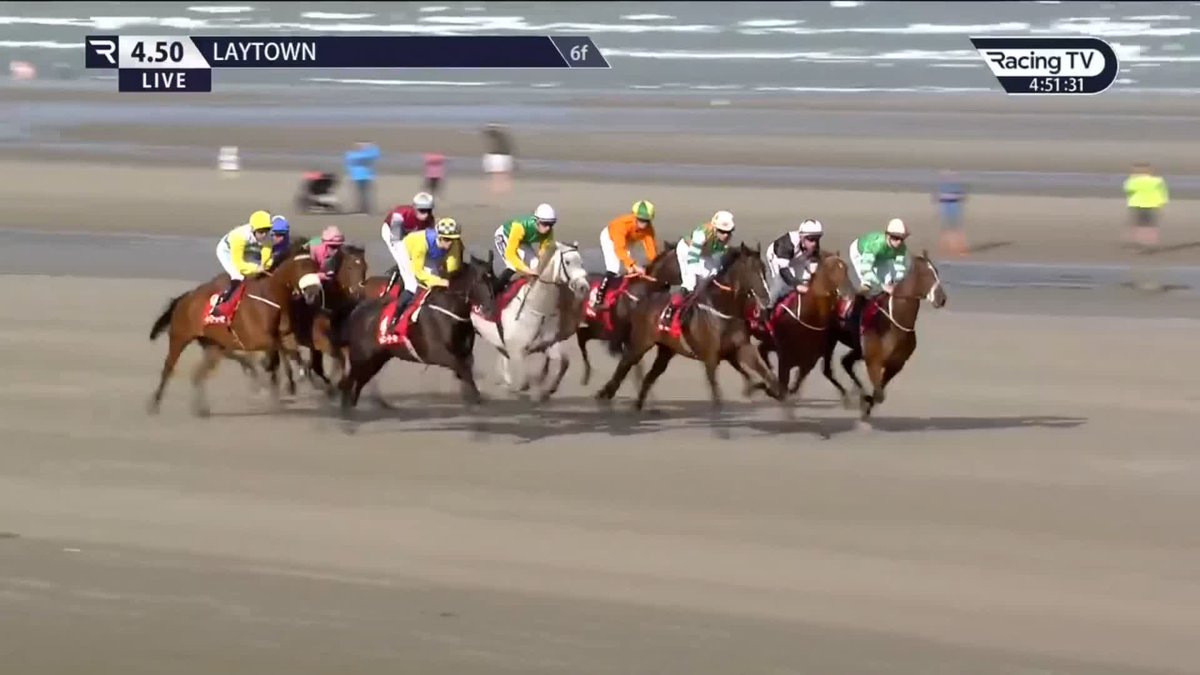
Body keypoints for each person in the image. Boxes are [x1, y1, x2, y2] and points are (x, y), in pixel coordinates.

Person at [384, 217, 464, 335]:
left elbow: (452, 268)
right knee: (412, 284)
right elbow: (419, 273)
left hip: (430, 254)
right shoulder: (421, 243)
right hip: (408, 251)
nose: (450, 243)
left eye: (453, 240)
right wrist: (440, 281)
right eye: (447, 239)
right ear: (439, 237)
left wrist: (447, 277)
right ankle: (395, 318)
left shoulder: (455, 244)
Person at [660, 210, 736, 328]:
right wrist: (695, 274)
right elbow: (692, 256)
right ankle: (669, 312)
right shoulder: (702, 234)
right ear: (715, 228)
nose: (725, 235)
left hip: (705, 252)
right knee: (691, 284)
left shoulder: (724, 239)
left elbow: (718, 255)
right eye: (722, 231)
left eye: (728, 232)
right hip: (688, 251)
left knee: (712, 274)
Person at [594, 200, 659, 310]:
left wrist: (655, 264)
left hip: (629, 240)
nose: (644, 224)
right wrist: (632, 265)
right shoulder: (622, 225)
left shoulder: (649, 229)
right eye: (640, 220)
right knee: (614, 268)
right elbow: (619, 249)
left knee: (635, 267)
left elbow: (651, 249)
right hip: (611, 238)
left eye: (646, 221)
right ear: (634, 216)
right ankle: (599, 298)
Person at [212, 210, 274, 316]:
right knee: (238, 276)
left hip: (246, 249)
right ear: (253, 229)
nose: (264, 235)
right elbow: (239, 264)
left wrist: (264, 266)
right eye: (260, 231)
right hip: (227, 251)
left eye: (267, 231)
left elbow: (266, 256)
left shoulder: (267, 237)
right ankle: (222, 304)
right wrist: (257, 268)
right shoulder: (239, 236)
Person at [846, 217, 911, 319]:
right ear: (888, 236)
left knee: (889, 280)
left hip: (881, 256)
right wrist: (883, 286)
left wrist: (896, 282)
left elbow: (900, 268)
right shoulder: (876, 245)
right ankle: (852, 315)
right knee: (870, 285)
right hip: (860, 252)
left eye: (902, 238)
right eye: (895, 238)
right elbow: (866, 270)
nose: (899, 242)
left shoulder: (901, 248)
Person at [493, 203, 557, 292]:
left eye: (551, 224)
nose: (548, 228)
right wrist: (527, 270)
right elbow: (510, 254)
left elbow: (543, 253)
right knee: (513, 266)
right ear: (537, 221)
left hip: (522, 240)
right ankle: (494, 292)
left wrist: (539, 268)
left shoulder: (549, 232)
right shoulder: (520, 226)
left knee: (535, 264)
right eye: (545, 224)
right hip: (504, 236)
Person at [381, 192, 436, 294]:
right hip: (392, 233)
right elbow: (396, 240)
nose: (426, 215)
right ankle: (410, 288)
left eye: (429, 211)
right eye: (422, 210)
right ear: (414, 208)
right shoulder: (400, 215)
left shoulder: (430, 221)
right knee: (406, 262)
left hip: (409, 235)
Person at [766, 218, 824, 307]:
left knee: (806, 279)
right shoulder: (786, 244)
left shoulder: (813, 245)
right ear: (802, 237)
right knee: (780, 284)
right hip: (777, 256)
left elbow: (813, 267)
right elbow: (784, 271)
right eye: (811, 239)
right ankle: (768, 308)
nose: (814, 244)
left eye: (817, 239)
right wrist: (796, 285)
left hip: (797, 257)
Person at [1124, 161, 1169, 250]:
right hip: (1152, 204)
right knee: (1151, 225)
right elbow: (1164, 193)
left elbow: (1128, 190)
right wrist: (1163, 203)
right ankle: (1151, 243)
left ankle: (1139, 242)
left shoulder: (1132, 181)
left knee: (1139, 224)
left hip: (1138, 204)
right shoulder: (1157, 180)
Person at [934, 171, 969, 257]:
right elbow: (937, 197)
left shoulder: (956, 186)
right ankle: (945, 248)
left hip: (954, 208)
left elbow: (963, 196)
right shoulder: (943, 186)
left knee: (955, 229)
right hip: (946, 207)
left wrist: (952, 197)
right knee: (947, 228)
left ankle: (959, 249)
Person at [344, 141, 380, 214]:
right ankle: (364, 209)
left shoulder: (351, 155)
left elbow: (375, 154)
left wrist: (367, 147)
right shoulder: (358, 155)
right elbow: (375, 154)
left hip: (361, 177)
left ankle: (363, 209)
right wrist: (370, 146)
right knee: (363, 194)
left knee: (363, 194)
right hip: (362, 177)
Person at [482, 123, 515, 198]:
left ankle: (497, 188)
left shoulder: (498, 139)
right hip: (503, 155)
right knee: (503, 174)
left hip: (496, 156)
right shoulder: (503, 139)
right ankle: (503, 188)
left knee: (496, 174)